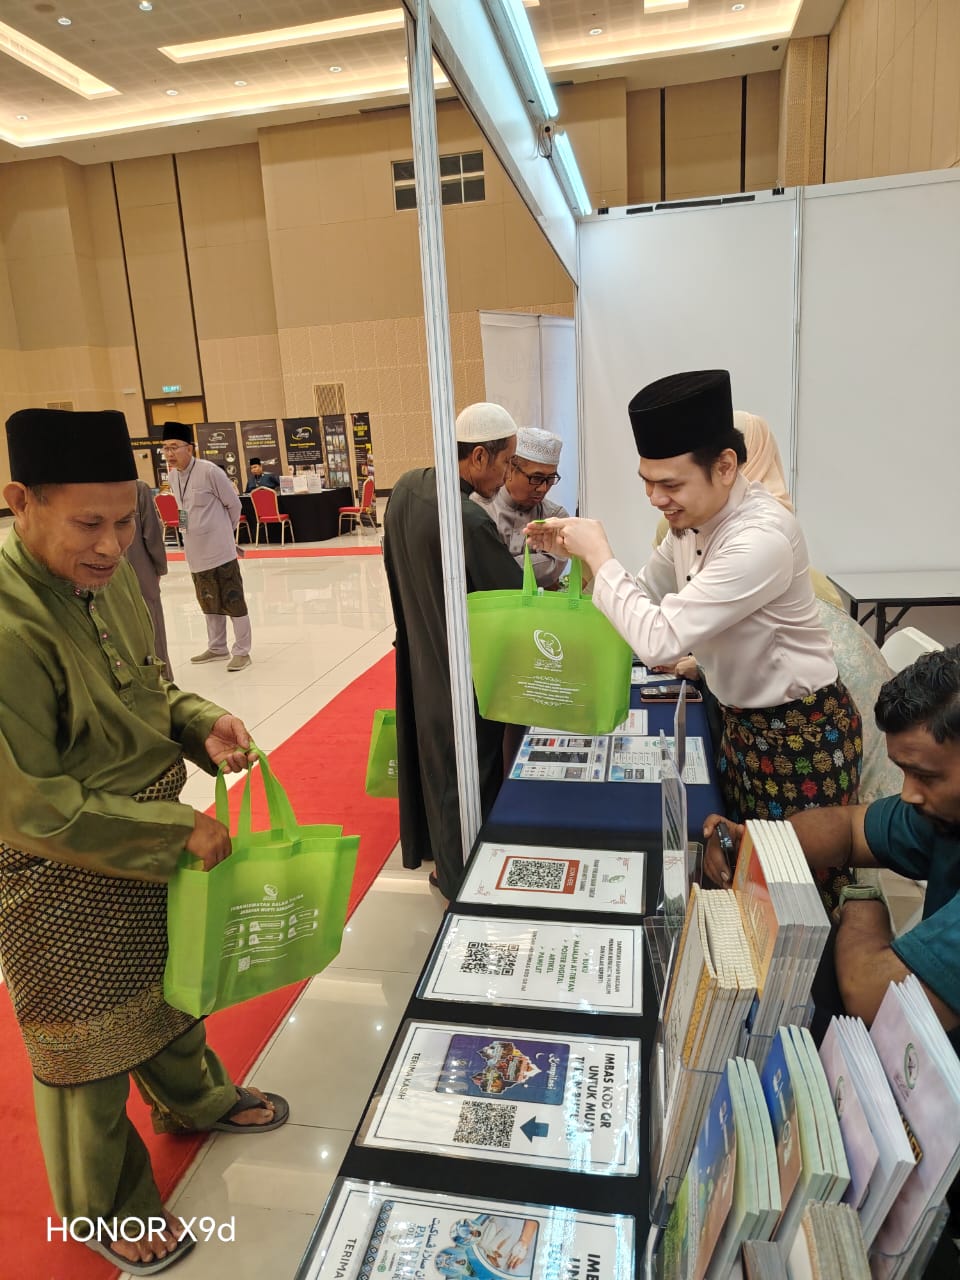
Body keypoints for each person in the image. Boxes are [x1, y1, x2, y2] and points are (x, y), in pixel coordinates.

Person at [0, 408, 288, 1276]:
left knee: (171, 991)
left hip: (149, 843)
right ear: (20, 501)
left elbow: (149, 689)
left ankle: (193, 1100)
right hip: (56, 875)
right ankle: (104, 1207)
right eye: (88, 523)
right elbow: (31, 807)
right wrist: (173, 830)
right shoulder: (8, 626)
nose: (111, 544)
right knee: (86, 1048)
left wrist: (200, 722)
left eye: (125, 522)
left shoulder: (107, 577)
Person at [526, 370, 863, 823]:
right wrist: (583, 561)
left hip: (799, 734)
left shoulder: (761, 538)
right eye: (647, 482)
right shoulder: (690, 524)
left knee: (791, 864)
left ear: (725, 467)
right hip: (739, 721)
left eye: (670, 485)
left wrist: (601, 554)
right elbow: (643, 594)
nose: (654, 498)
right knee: (736, 851)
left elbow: (659, 640)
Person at [702, 645, 960, 1040]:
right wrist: (759, 844)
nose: (908, 793)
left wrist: (861, 904)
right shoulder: (943, 815)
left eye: (925, 776)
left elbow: (869, 993)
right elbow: (850, 828)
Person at [383, 402, 522, 899]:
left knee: (435, 770)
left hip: (421, 659)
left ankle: (443, 863)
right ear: (479, 456)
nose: (507, 477)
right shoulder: (467, 519)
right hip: (463, 675)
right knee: (468, 779)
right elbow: (511, 602)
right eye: (506, 463)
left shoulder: (405, 488)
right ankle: (465, 882)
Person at [161, 423, 253, 673]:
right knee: (208, 600)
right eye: (165, 448)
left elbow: (234, 505)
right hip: (195, 550)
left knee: (233, 600)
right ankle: (217, 647)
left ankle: (242, 651)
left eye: (174, 447)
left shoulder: (210, 471)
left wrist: (224, 532)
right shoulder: (172, 476)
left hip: (220, 549)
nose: (169, 453)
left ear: (189, 448)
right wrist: (185, 532)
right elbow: (182, 508)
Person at [473, 425, 569, 588]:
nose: (543, 488)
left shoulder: (556, 517)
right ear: (510, 469)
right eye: (536, 478)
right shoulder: (478, 508)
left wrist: (494, 566)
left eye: (550, 479)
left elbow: (551, 569)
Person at [126, 477, 174, 680]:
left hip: (103, 569)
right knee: (151, 620)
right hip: (139, 565)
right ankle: (161, 676)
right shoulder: (137, 488)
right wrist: (159, 567)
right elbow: (152, 532)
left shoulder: (86, 488)